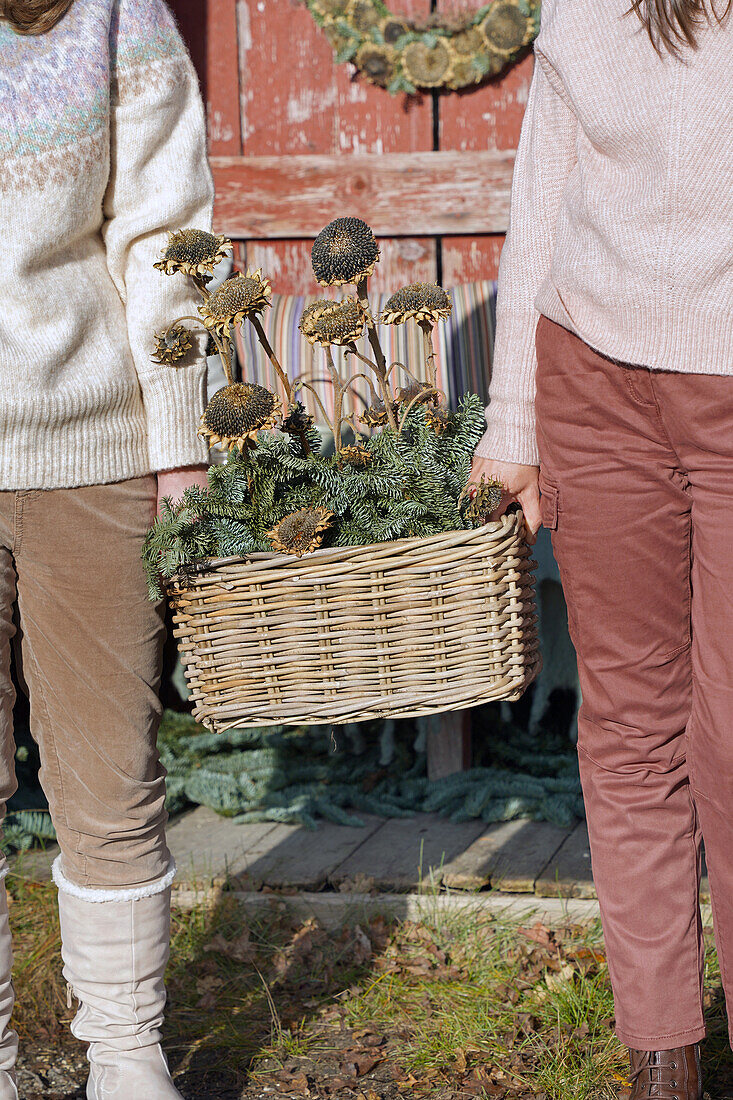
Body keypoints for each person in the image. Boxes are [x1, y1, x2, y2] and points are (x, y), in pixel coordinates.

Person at [471, 0, 733, 1096]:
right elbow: (545, 190)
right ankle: (662, 1060)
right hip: (591, 372)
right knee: (628, 726)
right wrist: (514, 423)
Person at [0, 0, 213, 1095]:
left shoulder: (109, 11)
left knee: (108, 773)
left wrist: (180, 439)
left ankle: (126, 1054)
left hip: (88, 447)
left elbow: (166, 218)